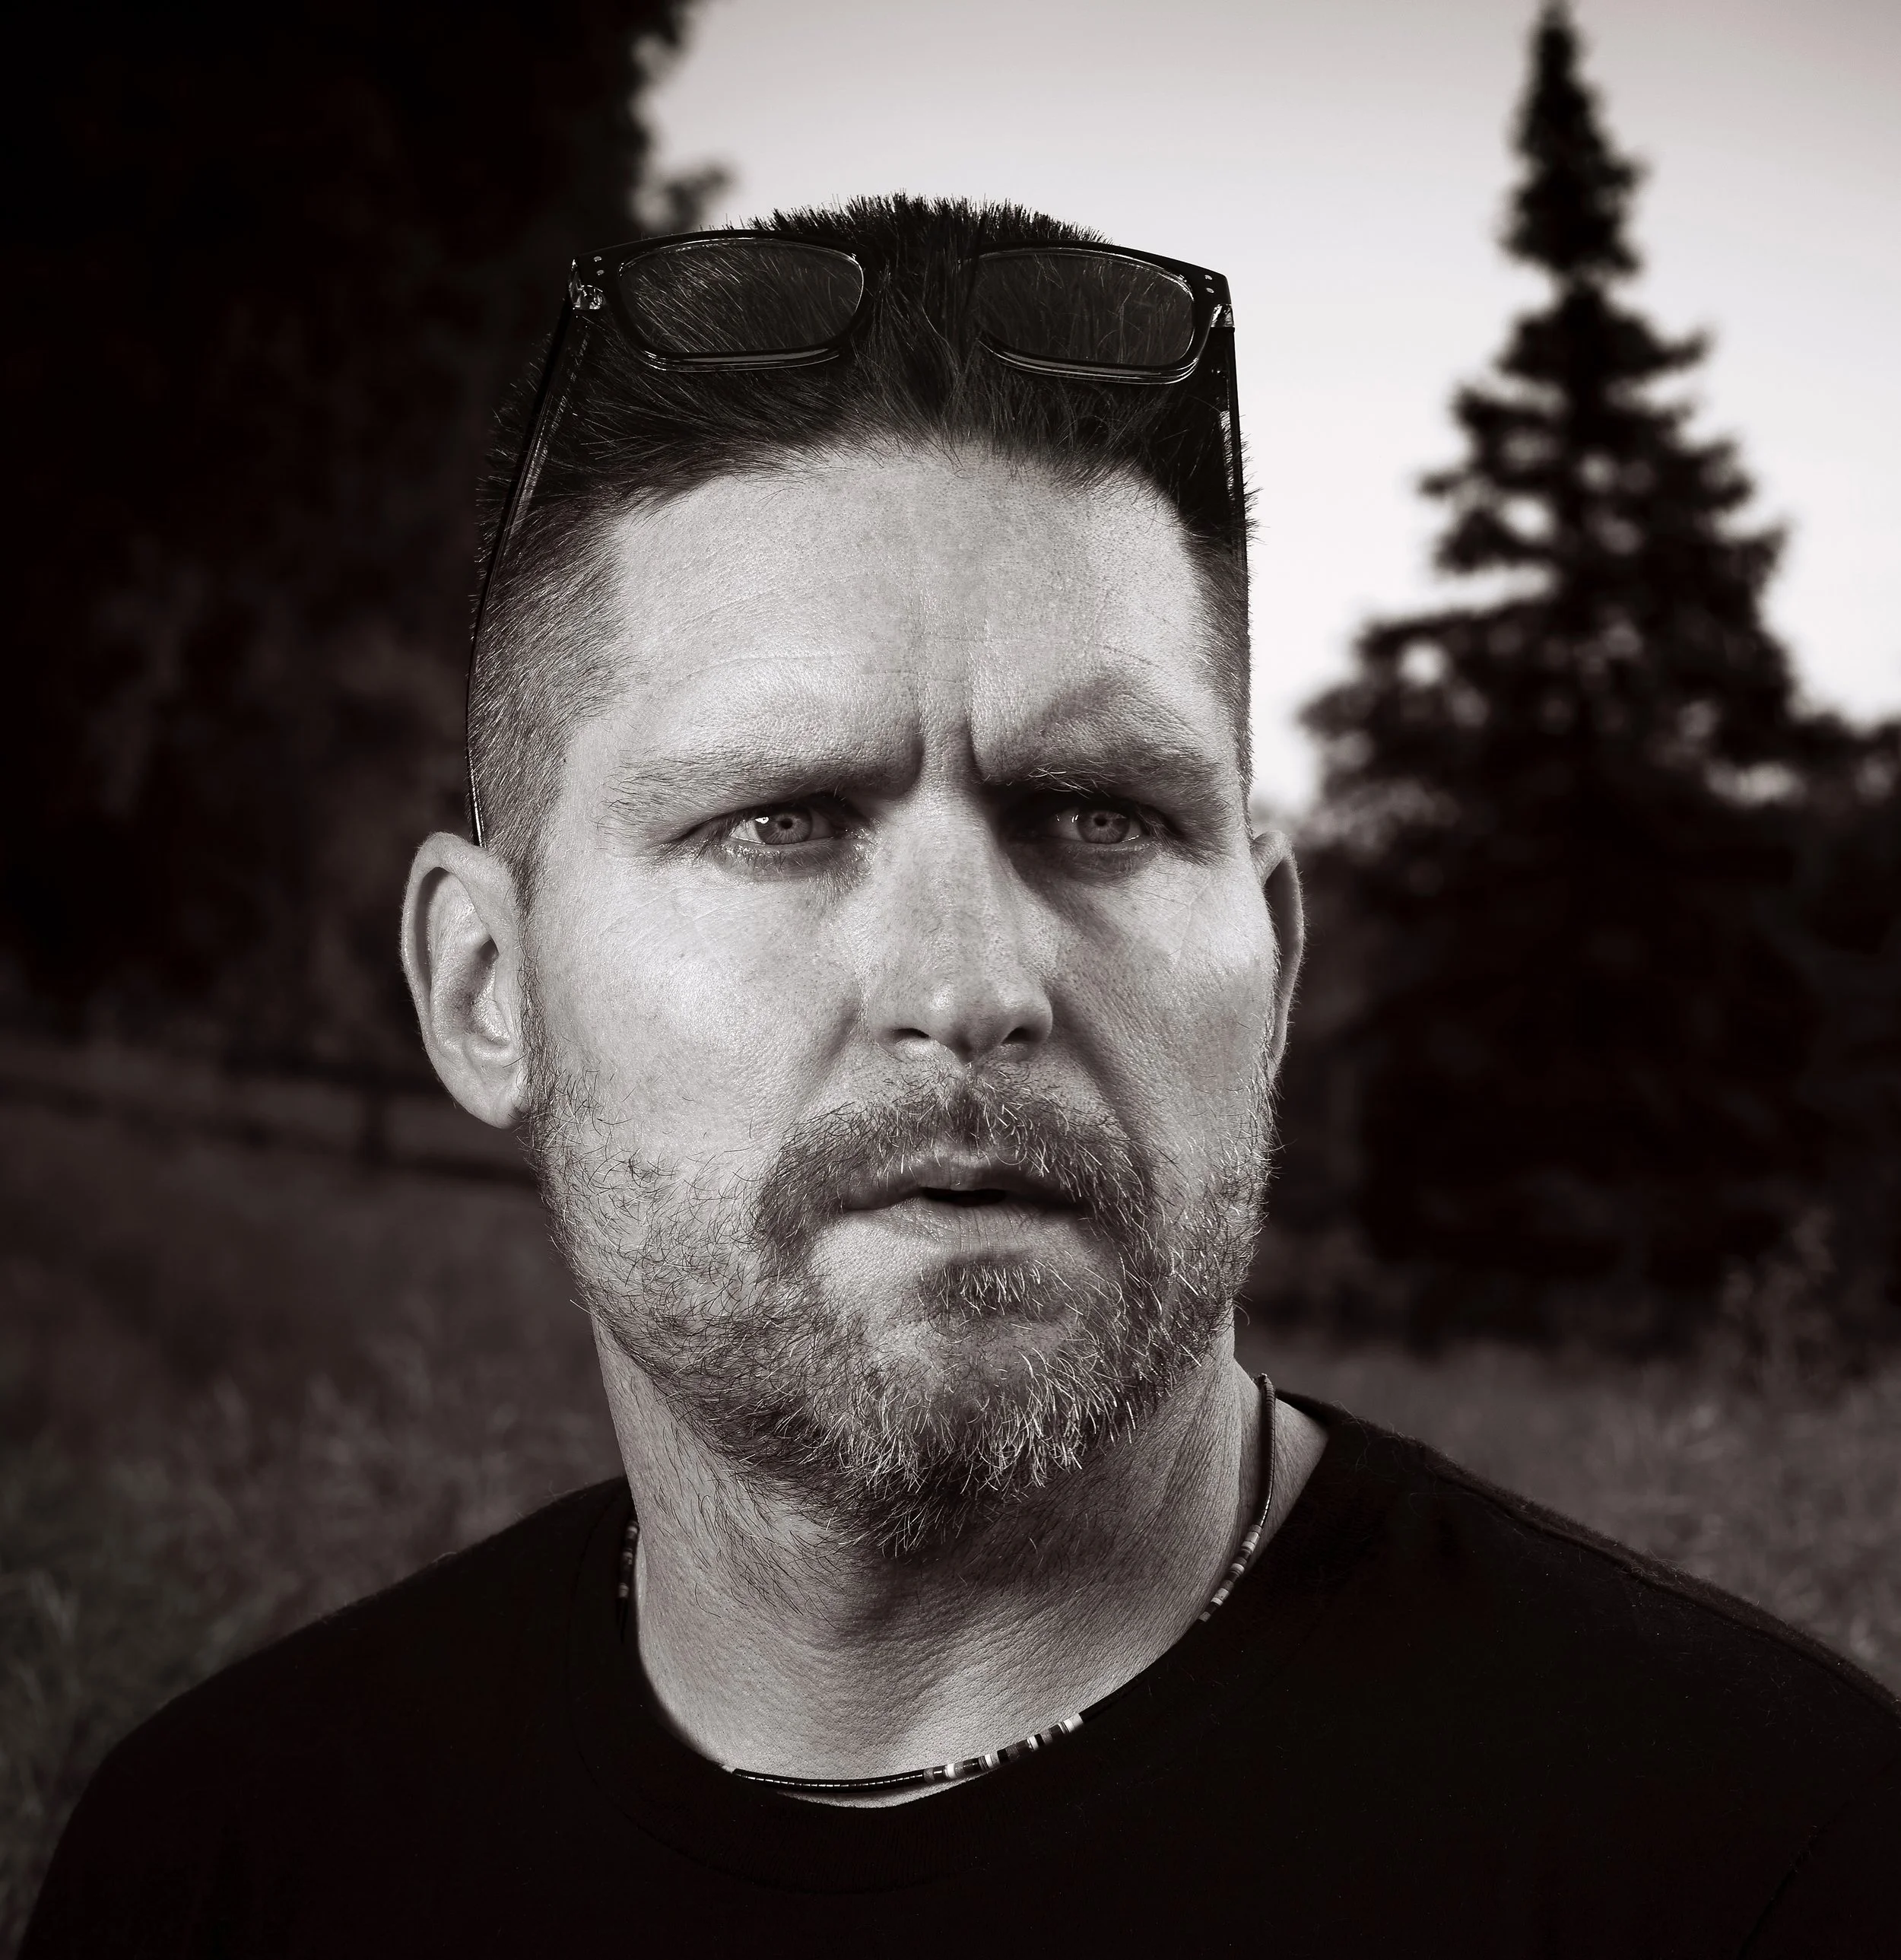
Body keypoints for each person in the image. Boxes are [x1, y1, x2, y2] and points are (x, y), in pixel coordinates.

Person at [25, 196, 1899, 1957]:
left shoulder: (1761, 1870)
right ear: (485, 989)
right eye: (780, 820)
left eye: (1099, 812)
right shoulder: (224, 1870)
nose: (969, 983)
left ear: (1268, 965)